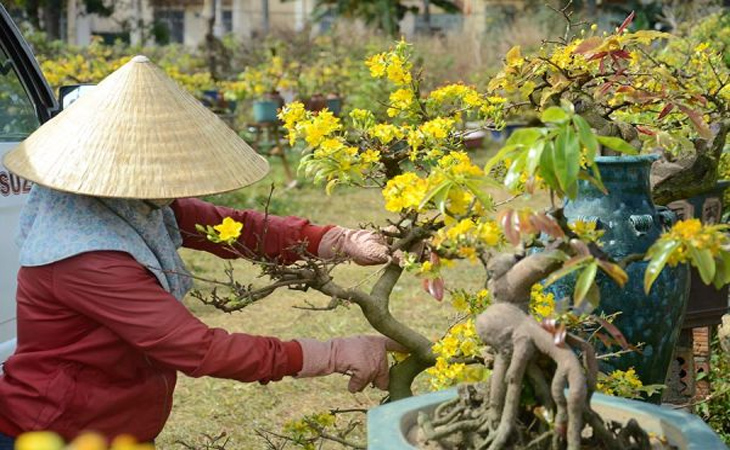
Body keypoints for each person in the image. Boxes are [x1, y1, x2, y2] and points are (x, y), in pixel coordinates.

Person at [0, 56, 402, 448]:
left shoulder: (128, 204)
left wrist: (336, 240)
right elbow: (199, 347)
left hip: (114, 421)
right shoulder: (87, 258)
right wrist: (327, 353)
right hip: (55, 432)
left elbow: (232, 227)